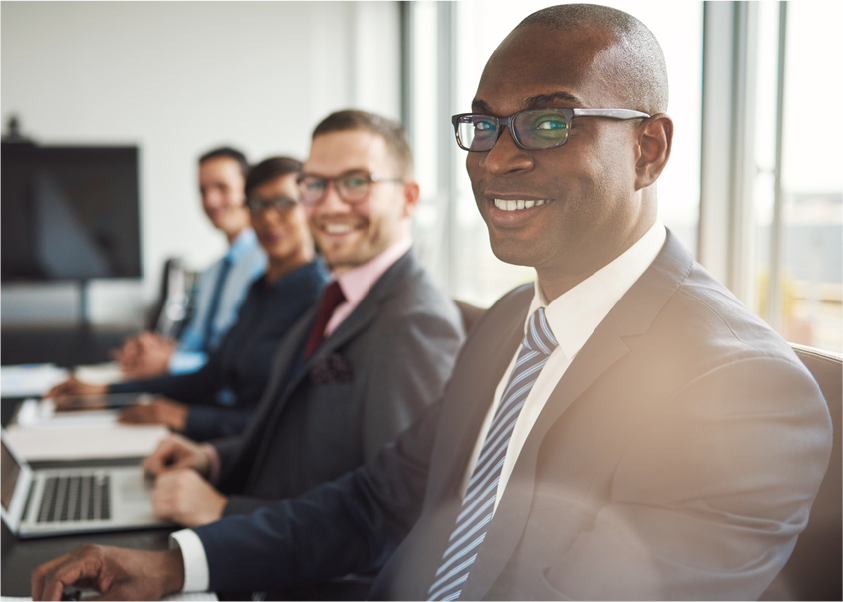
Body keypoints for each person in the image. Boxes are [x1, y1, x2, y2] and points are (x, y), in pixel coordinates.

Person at [32, 5, 832, 602]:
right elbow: (378, 499)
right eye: (483, 126)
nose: (498, 159)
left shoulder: (737, 389)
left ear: (647, 149)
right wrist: (176, 565)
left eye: (548, 122)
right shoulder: (507, 331)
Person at [140, 110, 464, 549]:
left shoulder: (414, 324)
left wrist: (223, 511)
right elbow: (295, 444)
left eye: (355, 182)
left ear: (408, 198)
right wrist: (213, 458)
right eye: (314, 184)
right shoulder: (337, 296)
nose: (329, 205)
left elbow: (394, 520)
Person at [45, 157, 327, 441]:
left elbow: (290, 421)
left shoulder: (319, 297)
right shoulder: (259, 290)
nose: (268, 217)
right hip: (223, 441)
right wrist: (105, 391)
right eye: (257, 204)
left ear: (310, 208)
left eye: (284, 203)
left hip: (252, 454)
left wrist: (183, 417)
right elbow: (211, 376)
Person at [113, 147, 267, 379]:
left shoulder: (267, 266)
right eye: (202, 190)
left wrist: (172, 362)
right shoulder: (211, 273)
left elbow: (244, 360)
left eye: (221, 188)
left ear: (248, 190)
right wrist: (152, 351)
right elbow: (194, 345)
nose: (210, 200)